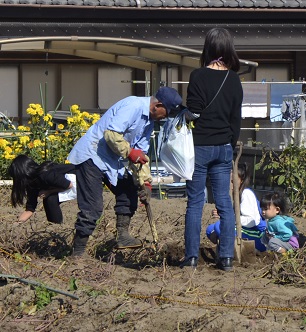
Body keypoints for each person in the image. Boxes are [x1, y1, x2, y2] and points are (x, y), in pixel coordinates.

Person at [68, 86, 183, 256]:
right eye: (167, 112)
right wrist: (129, 152)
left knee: (129, 190)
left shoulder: (149, 122)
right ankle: (77, 252)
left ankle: (122, 236)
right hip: (93, 156)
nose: (166, 117)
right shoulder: (133, 106)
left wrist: (145, 183)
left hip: (113, 161)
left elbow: (141, 155)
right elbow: (111, 135)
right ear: (157, 105)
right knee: (93, 207)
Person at [180, 27, 243, 271]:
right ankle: (226, 257)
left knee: (195, 201)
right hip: (224, 148)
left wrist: (182, 115)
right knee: (225, 203)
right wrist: (230, 142)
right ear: (228, 49)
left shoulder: (197, 76)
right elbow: (235, 119)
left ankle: (192, 257)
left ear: (207, 48)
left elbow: (193, 112)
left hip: (200, 147)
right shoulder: (234, 79)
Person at [206, 163, 267, 252]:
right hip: (246, 230)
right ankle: (229, 246)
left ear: (241, 180)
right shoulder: (233, 195)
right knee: (210, 229)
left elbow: (251, 221)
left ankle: (245, 249)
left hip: (258, 234)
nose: (230, 184)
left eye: (232, 181)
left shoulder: (246, 194)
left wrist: (229, 219)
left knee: (220, 226)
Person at [8, 154, 76, 224]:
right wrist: (17, 223)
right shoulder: (32, 184)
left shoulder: (46, 175)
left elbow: (69, 185)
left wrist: (48, 192)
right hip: (67, 184)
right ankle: (54, 226)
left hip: (79, 179)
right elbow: (30, 209)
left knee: (50, 199)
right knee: (49, 199)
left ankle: (57, 226)